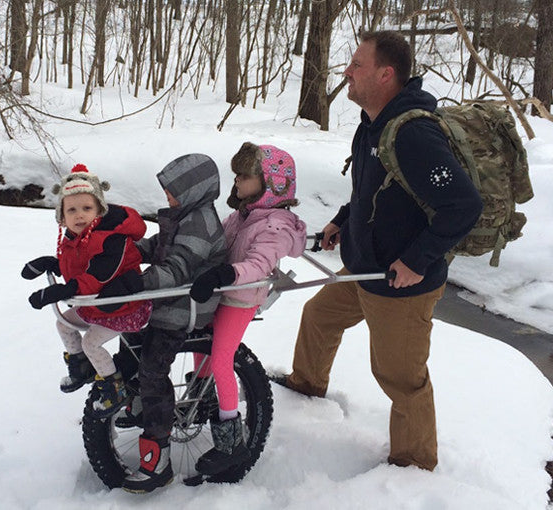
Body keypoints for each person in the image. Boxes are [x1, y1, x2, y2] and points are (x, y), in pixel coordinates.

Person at [273, 31, 482, 471]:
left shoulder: (414, 135)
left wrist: (416, 261)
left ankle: (413, 466)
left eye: (357, 65)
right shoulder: (375, 122)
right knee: (318, 316)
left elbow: (463, 206)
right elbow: (375, 190)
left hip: (401, 285)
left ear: (386, 74)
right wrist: (344, 219)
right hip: (365, 270)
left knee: (401, 380)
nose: (347, 72)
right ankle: (306, 388)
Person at [97, 153, 226, 493]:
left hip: (186, 307)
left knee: (153, 369)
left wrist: (137, 283)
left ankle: (159, 459)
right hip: (168, 300)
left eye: (173, 190)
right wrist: (127, 254)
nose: (167, 196)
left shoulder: (202, 224)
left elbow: (177, 267)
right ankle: (139, 403)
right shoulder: (185, 215)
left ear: (195, 191)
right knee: (131, 343)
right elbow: (159, 246)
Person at [188, 142, 307, 476]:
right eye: (237, 175)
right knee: (202, 348)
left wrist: (226, 273)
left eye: (244, 176)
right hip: (222, 291)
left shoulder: (276, 226)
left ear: (271, 182)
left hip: (240, 297)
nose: (237, 182)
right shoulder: (243, 215)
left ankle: (230, 442)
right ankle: (201, 398)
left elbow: (258, 264)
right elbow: (218, 244)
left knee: (223, 358)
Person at [21, 163, 151, 418]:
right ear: (62, 216)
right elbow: (77, 268)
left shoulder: (112, 238)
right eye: (72, 210)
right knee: (64, 324)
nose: (79, 215)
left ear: (99, 210)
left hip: (124, 305)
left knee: (92, 342)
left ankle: (115, 387)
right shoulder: (76, 237)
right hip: (97, 303)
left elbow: (98, 275)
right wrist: (51, 264)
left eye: (86, 208)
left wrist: (59, 291)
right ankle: (82, 367)